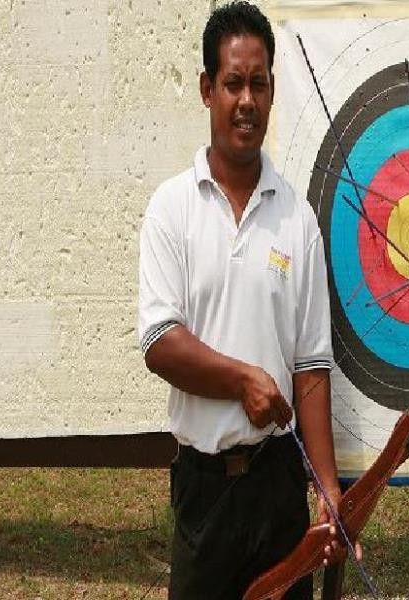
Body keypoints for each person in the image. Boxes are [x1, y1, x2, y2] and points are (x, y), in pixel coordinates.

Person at [137, 2, 342, 597]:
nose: (245, 100)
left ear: (272, 90)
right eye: (232, 84)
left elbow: (310, 366)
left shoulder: (296, 217)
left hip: (278, 489)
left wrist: (327, 492)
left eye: (258, 83)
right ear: (207, 89)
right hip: (205, 490)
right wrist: (243, 380)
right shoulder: (172, 208)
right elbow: (158, 344)